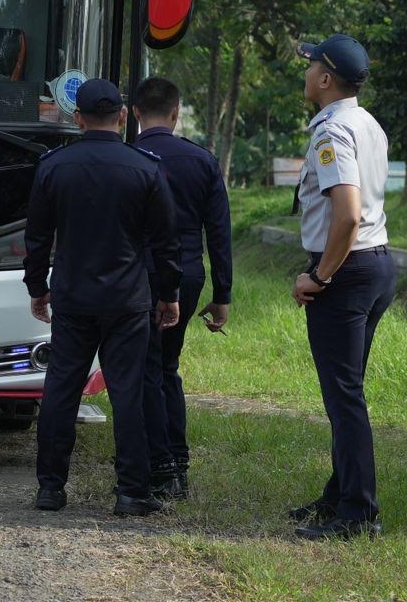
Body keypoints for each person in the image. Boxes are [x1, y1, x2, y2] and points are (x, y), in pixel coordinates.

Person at [24, 77, 181, 517]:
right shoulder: (146, 167)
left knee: (60, 389)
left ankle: (50, 489)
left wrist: (38, 288)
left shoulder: (54, 166)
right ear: (123, 116)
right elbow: (166, 243)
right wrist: (167, 294)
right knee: (128, 393)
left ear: (77, 118)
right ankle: (131, 492)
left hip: (73, 298)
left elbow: (36, 236)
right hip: (128, 300)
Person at [289, 34, 394, 540]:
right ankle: (338, 496)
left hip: (346, 271)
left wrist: (319, 276)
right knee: (346, 390)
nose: (305, 73)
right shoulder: (366, 123)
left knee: (344, 396)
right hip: (376, 265)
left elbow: (347, 215)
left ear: (326, 79)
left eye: (310, 67)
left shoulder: (332, 132)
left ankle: (357, 514)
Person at [131, 75, 232, 502]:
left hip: (138, 274)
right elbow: (219, 233)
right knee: (167, 366)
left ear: (134, 113)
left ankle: (161, 465)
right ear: (176, 113)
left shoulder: (127, 157)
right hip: (189, 274)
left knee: (148, 370)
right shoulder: (203, 161)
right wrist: (223, 294)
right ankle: (178, 464)